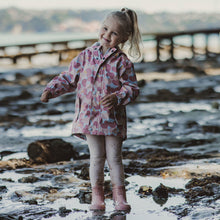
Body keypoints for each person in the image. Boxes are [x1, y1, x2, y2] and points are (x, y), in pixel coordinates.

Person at [41, 7, 142, 212]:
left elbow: (132, 88)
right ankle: (97, 197)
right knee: (96, 157)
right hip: (88, 117)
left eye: (114, 33)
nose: (107, 35)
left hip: (112, 119)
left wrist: (118, 97)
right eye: (105, 29)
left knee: (114, 158)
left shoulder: (122, 62)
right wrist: (51, 90)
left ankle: (119, 197)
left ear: (124, 37)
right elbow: (69, 78)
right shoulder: (86, 56)